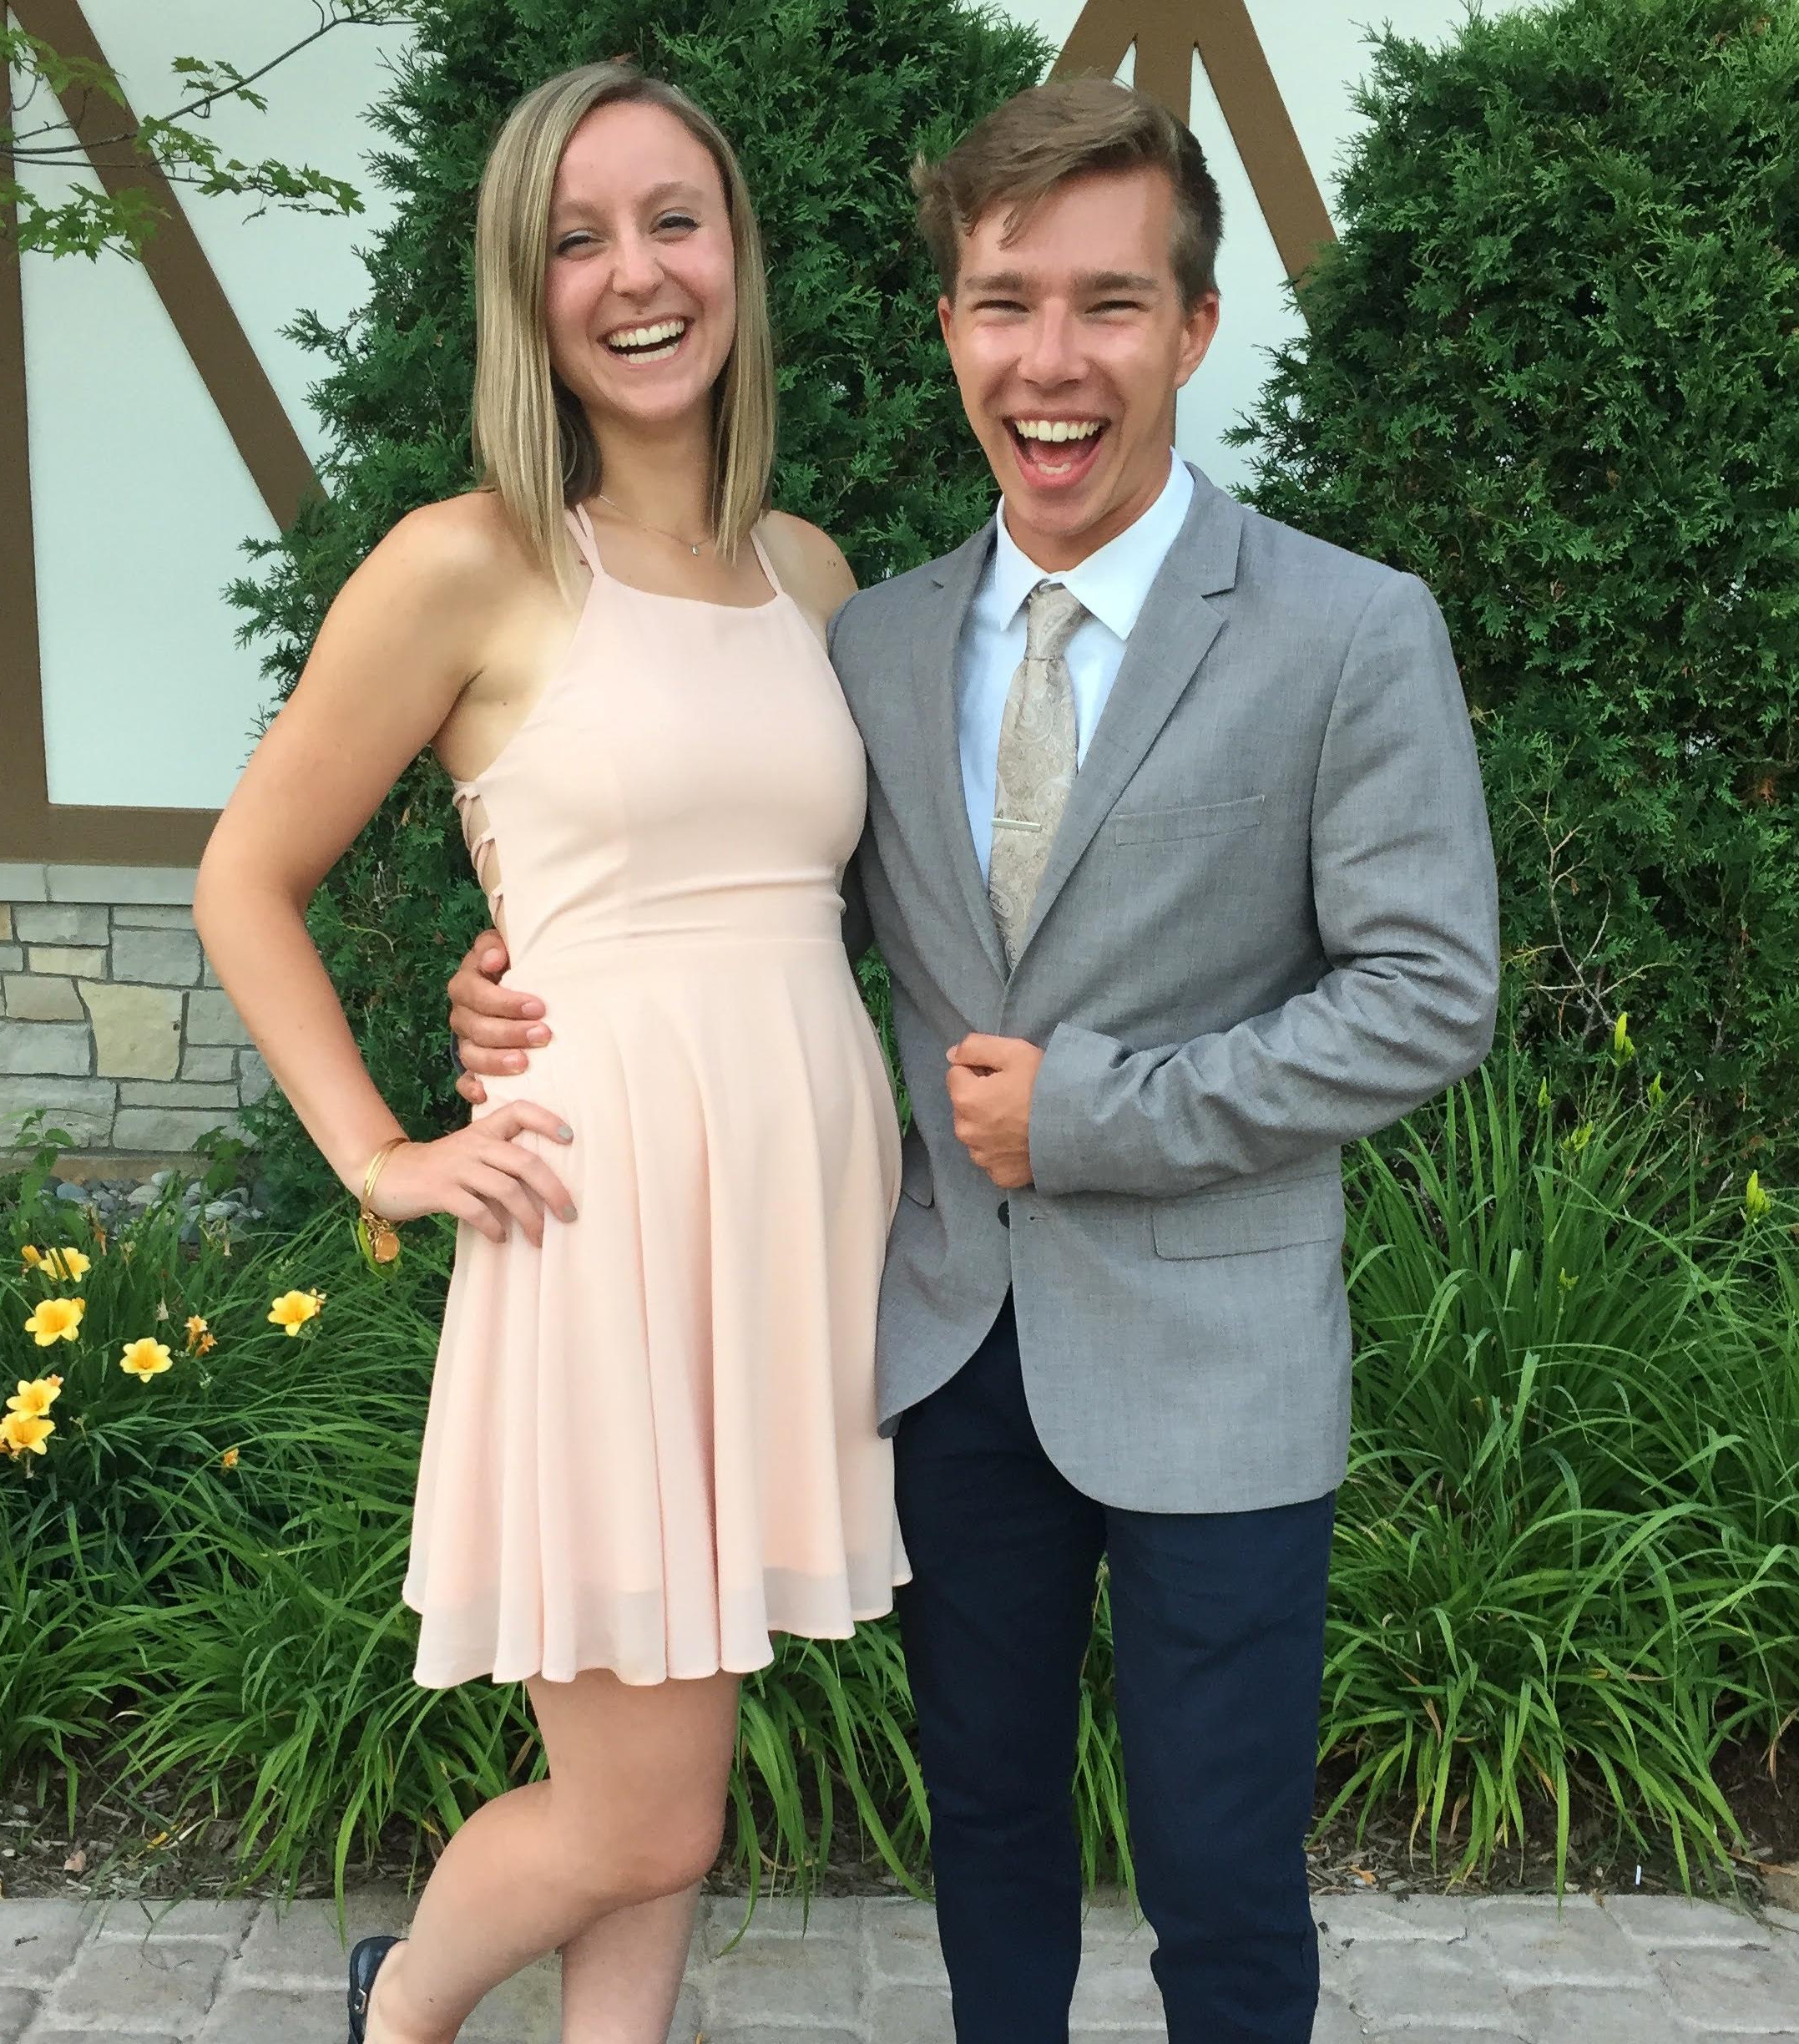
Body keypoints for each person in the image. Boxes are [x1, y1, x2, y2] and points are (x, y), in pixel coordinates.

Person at [452, 73, 1500, 2044]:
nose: (1053, 358)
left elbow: (1429, 994)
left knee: (1222, 1879)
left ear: (1193, 327)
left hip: (1220, 1364)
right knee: (990, 1839)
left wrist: (1096, 1115)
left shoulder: (1348, 630)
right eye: (1006, 302)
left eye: (1111, 303)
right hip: (945, 1351)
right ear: (950, 328)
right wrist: (530, 961)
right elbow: (764, 907)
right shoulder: (871, 641)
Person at [194, 62, 907, 2044]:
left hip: (778, 1238)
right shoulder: (472, 562)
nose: (638, 274)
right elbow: (247, 878)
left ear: (739, 251)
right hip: (600, 1234)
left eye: (675, 220)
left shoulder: (812, 574)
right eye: (578, 240)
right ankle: (400, 2010)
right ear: (529, 292)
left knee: (677, 1777)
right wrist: (377, 1151)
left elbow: (798, 910)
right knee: (644, 1811)